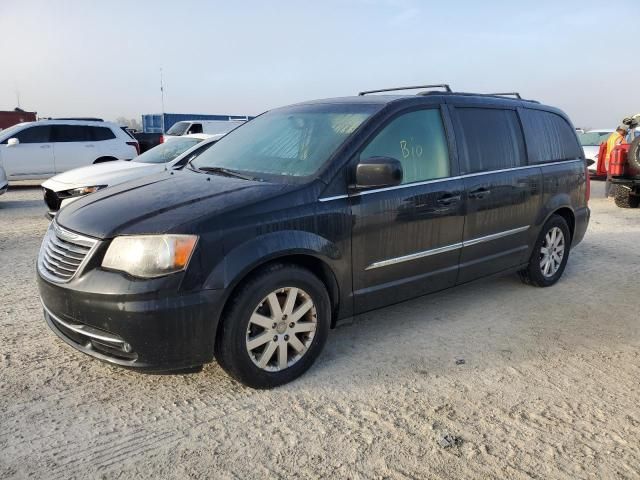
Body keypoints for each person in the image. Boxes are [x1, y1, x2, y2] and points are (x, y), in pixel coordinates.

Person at [604, 125, 629, 198]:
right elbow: (624, 149)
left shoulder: (612, 136)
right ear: (622, 131)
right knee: (617, 178)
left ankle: (606, 195)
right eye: (625, 132)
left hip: (608, 159)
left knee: (609, 177)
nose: (625, 134)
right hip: (616, 160)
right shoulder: (620, 138)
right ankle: (611, 194)